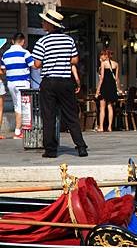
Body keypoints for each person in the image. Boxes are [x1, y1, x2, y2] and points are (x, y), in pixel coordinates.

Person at [32, 9, 88, 158]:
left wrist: (47, 60)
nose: (42, 23)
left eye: (44, 21)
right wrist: (62, 59)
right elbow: (75, 60)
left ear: (50, 25)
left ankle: (50, 150)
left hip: (49, 82)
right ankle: (81, 147)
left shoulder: (42, 41)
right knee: (71, 115)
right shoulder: (69, 40)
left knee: (49, 116)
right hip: (65, 81)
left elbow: (37, 64)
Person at [0, 33, 34, 138]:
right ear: (23, 41)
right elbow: (34, 66)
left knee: (16, 105)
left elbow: (3, 69)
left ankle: (19, 130)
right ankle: (18, 131)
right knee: (23, 106)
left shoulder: (5, 54)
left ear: (12, 41)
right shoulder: (25, 53)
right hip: (23, 82)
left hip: (11, 83)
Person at [95, 49, 120, 132]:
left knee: (102, 108)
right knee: (110, 107)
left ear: (106, 55)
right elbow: (116, 78)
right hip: (112, 87)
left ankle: (101, 127)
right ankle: (110, 127)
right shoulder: (116, 64)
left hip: (105, 86)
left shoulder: (103, 64)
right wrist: (118, 88)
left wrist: (98, 90)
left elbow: (101, 78)